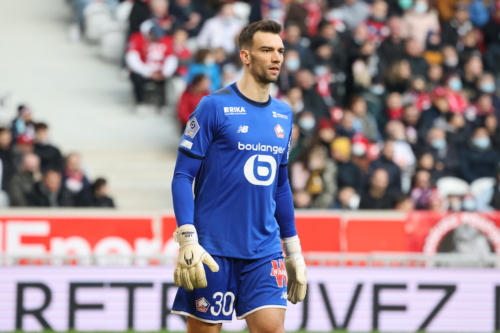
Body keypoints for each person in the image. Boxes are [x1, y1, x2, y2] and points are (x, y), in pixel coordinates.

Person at [170, 20, 307, 331]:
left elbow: (281, 187)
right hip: (212, 248)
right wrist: (188, 239)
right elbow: (182, 176)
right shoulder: (213, 106)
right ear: (246, 56)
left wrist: (294, 251)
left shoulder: (284, 115)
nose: (277, 58)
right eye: (267, 50)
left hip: (264, 249)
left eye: (280, 51)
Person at [126, 20, 179, 114]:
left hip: (160, 71)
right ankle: (140, 103)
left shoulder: (166, 39)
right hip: (143, 71)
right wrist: (148, 72)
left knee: (168, 79)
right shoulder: (137, 38)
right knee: (136, 77)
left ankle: (163, 104)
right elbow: (132, 59)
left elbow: (171, 58)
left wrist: (165, 72)